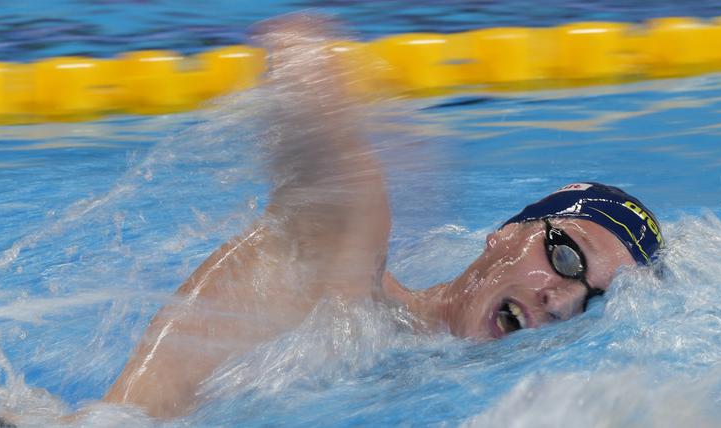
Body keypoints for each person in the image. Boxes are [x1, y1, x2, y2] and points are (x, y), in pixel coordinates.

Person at [100, 13, 664, 419]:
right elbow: (298, 55)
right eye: (566, 257)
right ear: (505, 236)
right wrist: (366, 125)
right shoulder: (350, 286)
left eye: (594, 301)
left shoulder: (482, 392)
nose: (563, 301)